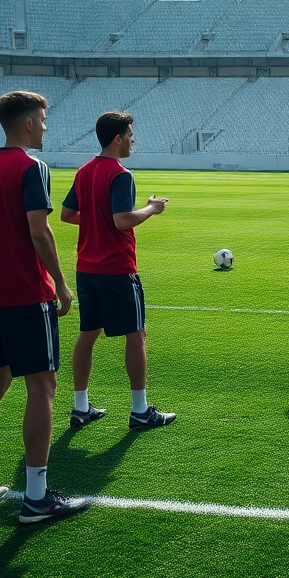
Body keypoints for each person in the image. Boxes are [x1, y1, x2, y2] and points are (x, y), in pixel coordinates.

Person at [0, 91, 87, 524]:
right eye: (44, 119)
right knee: (43, 388)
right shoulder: (33, 167)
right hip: (27, 294)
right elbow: (40, 231)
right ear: (28, 123)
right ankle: (36, 497)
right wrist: (63, 286)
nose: (47, 126)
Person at [60, 112, 175, 432]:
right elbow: (122, 220)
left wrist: (98, 220)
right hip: (116, 268)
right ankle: (140, 411)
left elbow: (68, 214)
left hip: (87, 268)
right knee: (136, 335)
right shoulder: (120, 174)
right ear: (117, 139)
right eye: (129, 134)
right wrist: (152, 208)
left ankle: (80, 407)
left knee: (88, 334)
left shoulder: (84, 171)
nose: (132, 139)